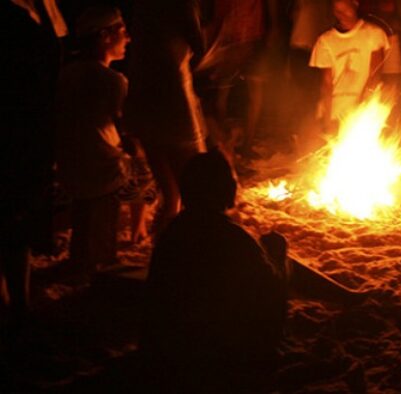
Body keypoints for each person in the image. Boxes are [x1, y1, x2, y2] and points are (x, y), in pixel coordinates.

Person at [140, 150, 287, 390]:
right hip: (219, 365)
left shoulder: (171, 235)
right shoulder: (236, 239)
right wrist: (278, 258)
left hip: (165, 358)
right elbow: (271, 301)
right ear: (227, 190)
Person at [1, 0, 67, 328]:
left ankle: (15, 301)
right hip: (20, 131)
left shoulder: (27, 19)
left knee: (14, 218)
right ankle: (19, 306)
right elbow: (49, 63)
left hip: (24, 129)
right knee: (15, 220)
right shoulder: (21, 23)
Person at [55, 6, 132, 282]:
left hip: (71, 168)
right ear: (105, 36)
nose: (128, 39)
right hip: (103, 169)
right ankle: (97, 268)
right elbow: (126, 131)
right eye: (122, 32)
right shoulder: (112, 81)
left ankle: (80, 261)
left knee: (84, 220)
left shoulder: (66, 74)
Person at [123, 0, 207, 234]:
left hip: (143, 92)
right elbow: (199, 46)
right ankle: (186, 248)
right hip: (173, 92)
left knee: (169, 192)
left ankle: (163, 249)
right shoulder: (182, 4)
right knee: (194, 183)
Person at [310, 0, 390, 129]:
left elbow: (375, 74)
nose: (342, 15)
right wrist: (327, 119)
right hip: (336, 113)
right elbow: (326, 84)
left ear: (355, 4)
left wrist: (364, 106)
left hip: (365, 110)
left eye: (346, 9)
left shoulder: (374, 33)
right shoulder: (325, 41)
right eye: (337, 11)